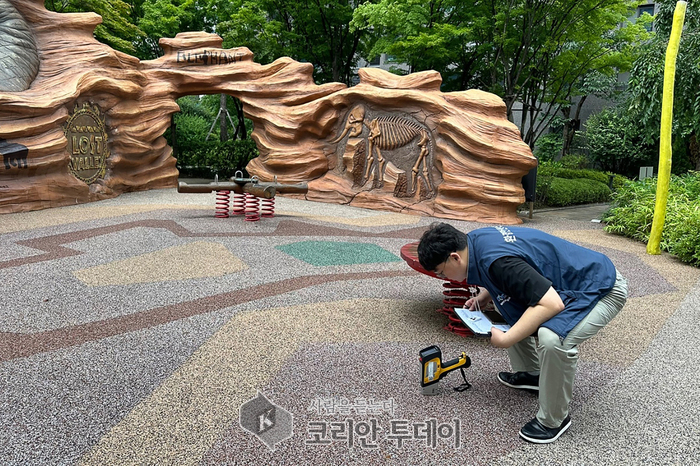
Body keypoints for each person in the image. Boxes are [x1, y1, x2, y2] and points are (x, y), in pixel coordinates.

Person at [417, 222, 628, 444]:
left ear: (454, 257)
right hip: (574, 280)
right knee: (506, 302)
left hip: (600, 288)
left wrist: (507, 339)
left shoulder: (497, 261)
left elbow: (551, 304)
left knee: (553, 338)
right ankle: (533, 375)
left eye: (442, 272)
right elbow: (512, 271)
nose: (445, 277)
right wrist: (485, 296)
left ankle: (553, 420)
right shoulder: (474, 241)